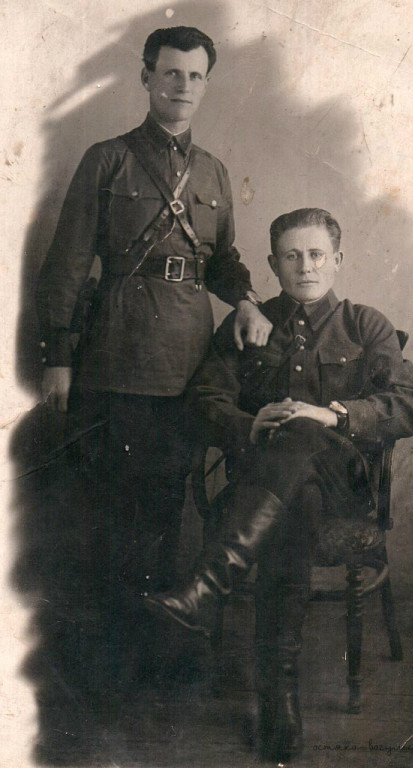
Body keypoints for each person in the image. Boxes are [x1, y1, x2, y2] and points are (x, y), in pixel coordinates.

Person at [36, 27, 272, 703]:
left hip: (187, 364)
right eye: (170, 73)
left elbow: (222, 261)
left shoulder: (215, 173)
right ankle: (106, 665)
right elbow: (68, 261)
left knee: (168, 509)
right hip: (116, 358)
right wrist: (58, 356)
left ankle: (153, 654)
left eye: (195, 76)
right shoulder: (107, 160)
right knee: (112, 513)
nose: (182, 86)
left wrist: (247, 301)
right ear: (146, 78)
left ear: (206, 84)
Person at [145, 207, 413, 760]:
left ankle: (209, 588)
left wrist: (333, 415)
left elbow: (409, 406)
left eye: (316, 254)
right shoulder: (248, 323)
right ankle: (280, 703)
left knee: (302, 432)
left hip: (344, 485)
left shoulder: (364, 325)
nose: (306, 267)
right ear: (273, 265)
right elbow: (203, 402)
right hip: (270, 491)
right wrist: (248, 424)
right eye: (292, 256)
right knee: (295, 501)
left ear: (337, 260)